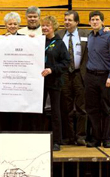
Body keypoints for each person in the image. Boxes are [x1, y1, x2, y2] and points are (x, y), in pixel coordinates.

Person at [85, 11, 110, 148]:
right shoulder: (89, 36)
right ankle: (95, 138)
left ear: (102, 22)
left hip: (106, 77)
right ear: (89, 22)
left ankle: (107, 139)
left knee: (105, 109)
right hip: (90, 77)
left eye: (97, 19)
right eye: (92, 20)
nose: (94, 22)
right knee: (92, 109)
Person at [56, 11, 89, 146]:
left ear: (77, 22)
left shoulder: (86, 34)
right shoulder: (59, 35)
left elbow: (101, 34)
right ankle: (69, 136)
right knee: (66, 107)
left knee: (81, 107)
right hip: (64, 74)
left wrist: (106, 29)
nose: (67, 22)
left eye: (70, 20)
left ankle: (81, 136)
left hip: (79, 74)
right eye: (65, 20)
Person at [41, 16, 70, 151]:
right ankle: (40, 137)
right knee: (39, 111)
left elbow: (66, 63)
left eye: (48, 25)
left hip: (54, 81)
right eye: (44, 25)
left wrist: (52, 69)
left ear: (54, 27)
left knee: (55, 111)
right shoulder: (38, 41)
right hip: (39, 82)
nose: (45, 28)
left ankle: (56, 141)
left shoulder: (59, 43)